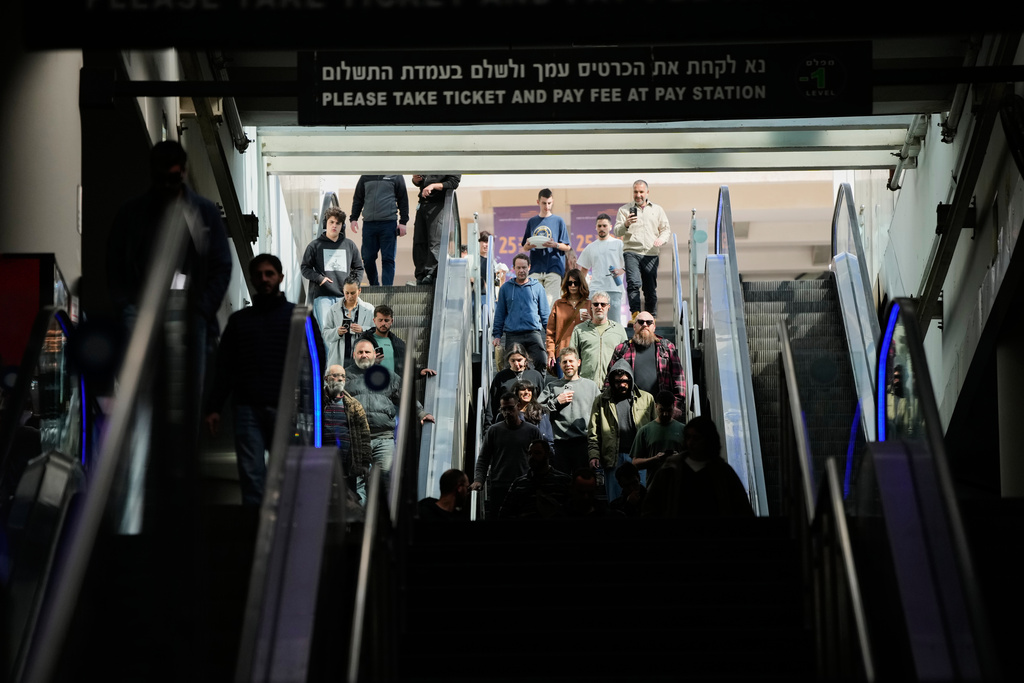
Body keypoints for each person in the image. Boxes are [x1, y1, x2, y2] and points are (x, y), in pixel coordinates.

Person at [107, 140, 232, 416]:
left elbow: (221, 264)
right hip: (146, 311)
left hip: (188, 313)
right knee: (145, 398)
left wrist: (201, 309)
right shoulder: (133, 213)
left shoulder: (202, 212)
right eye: (162, 178)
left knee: (185, 401)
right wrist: (127, 307)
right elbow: (116, 265)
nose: (167, 186)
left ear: (183, 172)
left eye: (172, 178)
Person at [204, 254, 294, 505]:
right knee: (252, 476)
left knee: (281, 475)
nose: (264, 279)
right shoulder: (239, 321)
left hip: (282, 407)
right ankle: (255, 534)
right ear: (253, 279)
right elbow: (225, 367)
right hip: (247, 408)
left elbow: (313, 361)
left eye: (270, 274)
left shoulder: (297, 317)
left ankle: (279, 531)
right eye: (260, 275)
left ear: (280, 278)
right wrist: (214, 407)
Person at [346, 338, 434, 502]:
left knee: (386, 482)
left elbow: (405, 396)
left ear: (374, 355)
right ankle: (362, 520)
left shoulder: (387, 376)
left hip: (383, 439)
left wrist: (421, 413)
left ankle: (383, 523)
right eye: (360, 352)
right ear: (354, 355)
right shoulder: (345, 377)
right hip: (356, 439)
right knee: (359, 485)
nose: (364, 355)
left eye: (367, 352)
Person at [642, 415, 753, 518]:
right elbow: (651, 505)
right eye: (688, 437)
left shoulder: (722, 471)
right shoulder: (671, 469)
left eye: (696, 438)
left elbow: (741, 507)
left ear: (708, 440)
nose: (691, 442)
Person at [587, 361, 656, 501]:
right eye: (618, 381)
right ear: (612, 381)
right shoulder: (601, 401)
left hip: (639, 456)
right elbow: (594, 431)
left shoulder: (646, 398)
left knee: (641, 497)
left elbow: (655, 428)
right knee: (615, 499)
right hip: (613, 456)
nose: (622, 384)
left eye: (625, 381)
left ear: (631, 379)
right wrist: (594, 454)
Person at [473, 393, 542, 519]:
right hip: (500, 485)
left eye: (510, 408)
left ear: (518, 406)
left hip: (525, 484)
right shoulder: (494, 431)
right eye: (504, 409)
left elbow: (542, 457)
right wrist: (479, 479)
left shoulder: (532, 431)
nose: (507, 412)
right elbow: (484, 458)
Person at [605, 312, 686, 419]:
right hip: (630, 409)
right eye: (640, 322)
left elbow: (678, 377)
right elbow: (609, 380)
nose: (645, 325)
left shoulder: (667, 348)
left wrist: (677, 405)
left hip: (661, 409)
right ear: (634, 326)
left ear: (654, 327)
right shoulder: (622, 349)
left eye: (649, 322)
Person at [614, 179, 671, 321]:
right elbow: (616, 231)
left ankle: (651, 316)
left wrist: (661, 240)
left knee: (649, 288)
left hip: (651, 253)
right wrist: (626, 224)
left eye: (641, 192)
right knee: (633, 283)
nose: (638, 195)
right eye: (635, 192)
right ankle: (635, 314)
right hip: (631, 251)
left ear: (647, 192)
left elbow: (666, 230)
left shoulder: (657, 210)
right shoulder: (624, 210)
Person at [301, 206, 364, 330]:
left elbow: (358, 267)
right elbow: (305, 268)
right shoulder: (314, 246)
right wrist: (320, 279)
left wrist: (354, 284)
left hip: (345, 297)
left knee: (346, 332)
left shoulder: (349, 245)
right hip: (323, 296)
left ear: (342, 226)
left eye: (338, 223)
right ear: (326, 223)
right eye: (331, 222)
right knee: (327, 332)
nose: (334, 225)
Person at [544, 348, 600, 474]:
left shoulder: (591, 386)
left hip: (583, 443)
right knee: (561, 486)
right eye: (564, 362)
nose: (568, 364)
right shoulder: (552, 386)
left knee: (582, 485)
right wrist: (556, 402)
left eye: (571, 361)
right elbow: (537, 411)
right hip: (559, 444)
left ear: (579, 362)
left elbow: (600, 415)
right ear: (560, 365)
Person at [491, 253, 550, 373]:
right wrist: (497, 335)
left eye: (524, 267)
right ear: (513, 268)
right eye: (518, 267)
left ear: (529, 267)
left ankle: (538, 389)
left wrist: (550, 335)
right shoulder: (506, 288)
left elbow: (545, 314)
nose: (521, 270)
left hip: (533, 333)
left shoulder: (538, 287)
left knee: (542, 361)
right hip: (513, 334)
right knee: (511, 367)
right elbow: (500, 314)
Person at [348, 174, 409, 287]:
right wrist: (353, 218)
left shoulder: (396, 176)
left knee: (388, 259)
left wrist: (403, 222)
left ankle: (387, 288)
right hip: (369, 225)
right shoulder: (365, 177)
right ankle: (374, 285)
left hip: (389, 223)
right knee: (367, 258)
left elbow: (403, 199)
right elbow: (358, 198)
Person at [322, 364, 372, 498]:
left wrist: (365, 463)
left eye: (343, 376)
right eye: (335, 375)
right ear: (326, 379)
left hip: (347, 465)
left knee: (348, 501)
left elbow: (364, 435)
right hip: (322, 461)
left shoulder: (353, 405)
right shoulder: (317, 401)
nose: (339, 379)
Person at [521, 188, 571, 307]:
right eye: (544, 203)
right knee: (532, 302)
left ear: (552, 201)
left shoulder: (558, 221)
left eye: (549, 203)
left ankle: (550, 326)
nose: (547, 206)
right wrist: (528, 246)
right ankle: (536, 326)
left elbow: (567, 247)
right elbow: (524, 247)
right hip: (535, 267)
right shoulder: (532, 221)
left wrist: (556, 245)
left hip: (554, 268)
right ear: (538, 202)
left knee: (551, 303)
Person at [499, 440, 572, 519]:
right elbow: (505, 513)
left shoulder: (563, 481)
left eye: (537, 453)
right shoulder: (519, 484)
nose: (532, 457)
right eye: (530, 453)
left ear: (547, 454)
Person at [411, 173, 461, 285]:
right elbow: (421, 181)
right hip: (423, 203)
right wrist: (416, 180)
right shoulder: (430, 159)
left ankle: (431, 274)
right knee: (419, 242)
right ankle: (420, 274)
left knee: (434, 241)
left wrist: (433, 186)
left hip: (438, 205)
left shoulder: (453, 160)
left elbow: (453, 183)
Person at [569, 291, 628, 387]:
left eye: (603, 304)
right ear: (591, 307)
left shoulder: (619, 330)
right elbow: (572, 358)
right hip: (586, 385)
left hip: (612, 386)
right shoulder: (579, 329)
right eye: (596, 304)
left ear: (608, 307)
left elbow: (626, 358)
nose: (599, 307)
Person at [629, 390, 686, 487]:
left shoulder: (684, 430)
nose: (665, 414)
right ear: (656, 406)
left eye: (669, 410)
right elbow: (635, 463)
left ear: (674, 406)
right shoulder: (645, 431)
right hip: (654, 488)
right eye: (662, 410)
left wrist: (679, 458)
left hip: (679, 488)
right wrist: (655, 459)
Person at [577, 213, 626, 323]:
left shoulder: (619, 244)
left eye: (604, 225)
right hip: (595, 290)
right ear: (595, 227)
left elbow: (629, 264)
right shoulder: (591, 247)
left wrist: (620, 270)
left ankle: (617, 341)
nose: (602, 228)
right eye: (599, 226)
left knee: (615, 323)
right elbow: (583, 270)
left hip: (614, 289)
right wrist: (581, 288)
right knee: (593, 322)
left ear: (610, 227)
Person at [321, 275, 375, 368]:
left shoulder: (369, 309)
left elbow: (376, 332)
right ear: (343, 291)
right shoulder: (333, 309)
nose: (349, 296)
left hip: (360, 356)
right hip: (338, 358)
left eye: (353, 293)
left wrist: (362, 329)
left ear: (359, 291)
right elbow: (325, 334)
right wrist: (337, 332)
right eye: (347, 293)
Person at [545, 269, 591, 377]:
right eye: (570, 283)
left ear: (581, 284)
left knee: (582, 389)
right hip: (563, 352)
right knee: (564, 387)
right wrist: (551, 352)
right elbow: (550, 331)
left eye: (576, 283)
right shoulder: (558, 304)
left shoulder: (589, 304)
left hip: (583, 353)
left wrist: (590, 320)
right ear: (566, 285)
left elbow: (597, 328)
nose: (573, 286)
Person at [485, 344, 545, 425]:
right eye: (513, 361)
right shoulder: (501, 377)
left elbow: (542, 400)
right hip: (507, 422)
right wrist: (488, 427)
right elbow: (493, 404)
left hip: (532, 420)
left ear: (525, 359)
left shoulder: (535, 376)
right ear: (508, 360)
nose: (516, 364)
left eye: (519, 360)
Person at [511, 379, 554, 450]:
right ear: (516, 392)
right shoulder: (510, 413)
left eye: (529, 390)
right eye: (523, 389)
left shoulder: (541, 412)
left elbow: (549, 439)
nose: (526, 392)